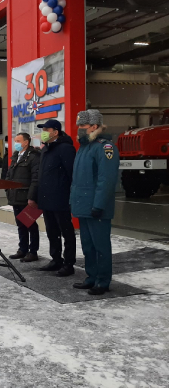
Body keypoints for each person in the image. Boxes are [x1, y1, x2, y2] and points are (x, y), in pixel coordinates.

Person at [70, 109, 119, 295]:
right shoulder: (83, 147)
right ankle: (91, 277)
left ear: (95, 126)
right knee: (88, 246)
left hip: (96, 207)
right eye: (79, 125)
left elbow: (106, 180)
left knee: (100, 246)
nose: (80, 129)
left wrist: (98, 204)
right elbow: (78, 180)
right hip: (83, 206)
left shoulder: (105, 147)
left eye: (83, 125)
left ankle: (103, 280)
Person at [35, 119, 77, 276]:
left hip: (61, 198)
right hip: (46, 198)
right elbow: (41, 175)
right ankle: (56, 259)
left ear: (55, 132)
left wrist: (71, 196)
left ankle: (69, 262)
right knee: (52, 231)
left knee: (66, 231)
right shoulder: (46, 149)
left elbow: (71, 173)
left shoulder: (65, 149)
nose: (43, 132)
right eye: (42, 129)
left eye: (46, 129)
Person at [7, 132, 41, 262]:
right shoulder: (15, 156)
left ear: (26, 142)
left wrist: (32, 196)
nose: (16, 143)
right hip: (15, 195)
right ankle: (23, 249)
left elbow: (35, 178)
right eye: (15, 140)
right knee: (20, 224)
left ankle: (33, 251)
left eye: (18, 141)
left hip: (26, 197)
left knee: (30, 224)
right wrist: (7, 189)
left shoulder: (33, 157)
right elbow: (9, 174)